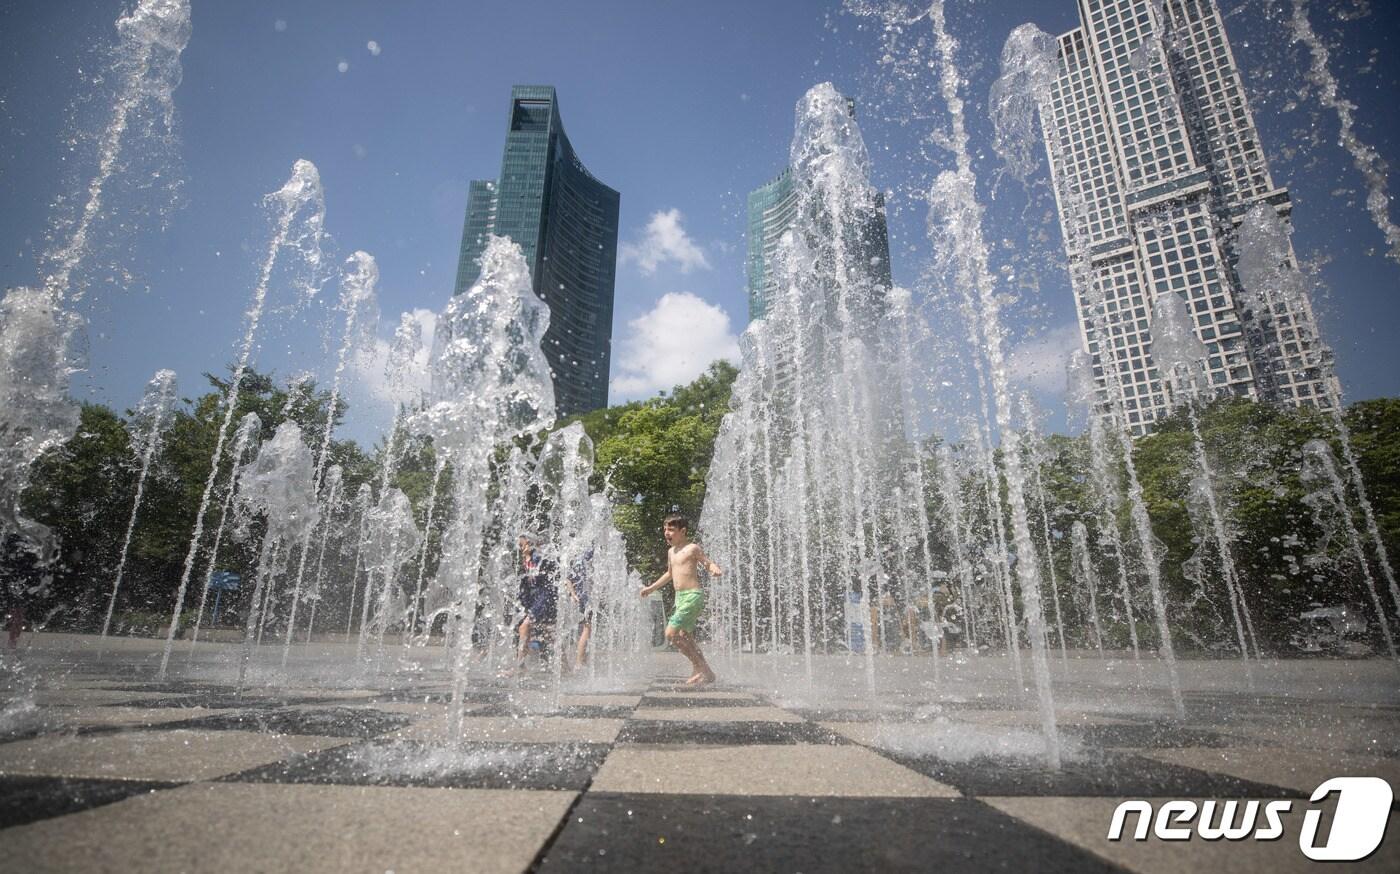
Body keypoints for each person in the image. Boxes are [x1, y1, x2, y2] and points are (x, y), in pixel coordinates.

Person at [639, 514, 721, 686]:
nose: (667, 533)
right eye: (665, 529)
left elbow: (706, 562)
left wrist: (714, 568)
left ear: (682, 531)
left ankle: (702, 668)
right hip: (680, 598)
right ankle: (703, 670)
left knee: (671, 633)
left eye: (671, 530)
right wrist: (651, 588)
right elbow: (669, 574)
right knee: (685, 636)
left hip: (693, 596)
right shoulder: (671, 552)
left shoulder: (692, 548)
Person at [504, 534, 557, 675]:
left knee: (525, 626)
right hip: (536, 600)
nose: (521, 549)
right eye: (520, 546)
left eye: (523, 545)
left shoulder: (538, 558)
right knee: (549, 632)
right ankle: (565, 667)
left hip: (545, 598)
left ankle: (520, 666)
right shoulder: (524, 560)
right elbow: (526, 584)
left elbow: (550, 572)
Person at [564, 546, 596, 669]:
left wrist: (573, 594)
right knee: (587, 629)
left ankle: (583, 660)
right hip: (586, 599)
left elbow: (567, 580)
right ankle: (579, 663)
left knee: (585, 629)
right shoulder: (586, 558)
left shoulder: (577, 560)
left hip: (582, 598)